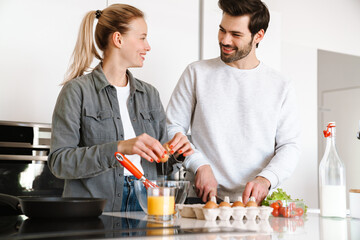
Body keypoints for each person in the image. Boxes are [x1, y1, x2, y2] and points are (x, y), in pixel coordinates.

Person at [48, 4, 193, 212]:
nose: (148, 46)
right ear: (118, 39)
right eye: (142, 37)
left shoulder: (150, 95)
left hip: (145, 203)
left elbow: (161, 167)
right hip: (96, 209)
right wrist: (119, 148)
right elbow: (59, 162)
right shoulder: (76, 92)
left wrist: (177, 154)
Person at [166, 0, 301, 205]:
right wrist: (199, 164)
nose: (225, 40)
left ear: (259, 36)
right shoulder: (196, 73)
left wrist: (266, 179)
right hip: (200, 198)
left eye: (236, 35)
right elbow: (172, 127)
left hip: (256, 204)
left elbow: (289, 146)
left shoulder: (281, 85)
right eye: (222, 30)